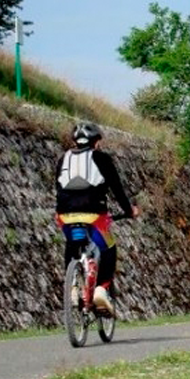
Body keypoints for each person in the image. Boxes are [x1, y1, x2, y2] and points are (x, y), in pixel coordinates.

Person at [55, 122, 139, 315]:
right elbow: (117, 189)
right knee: (108, 248)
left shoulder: (63, 159)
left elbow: (58, 188)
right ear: (96, 142)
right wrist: (129, 210)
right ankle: (101, 289)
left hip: (65, 216)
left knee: (72, 244)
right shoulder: (101, 158)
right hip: (94, 216)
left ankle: (73, 287)